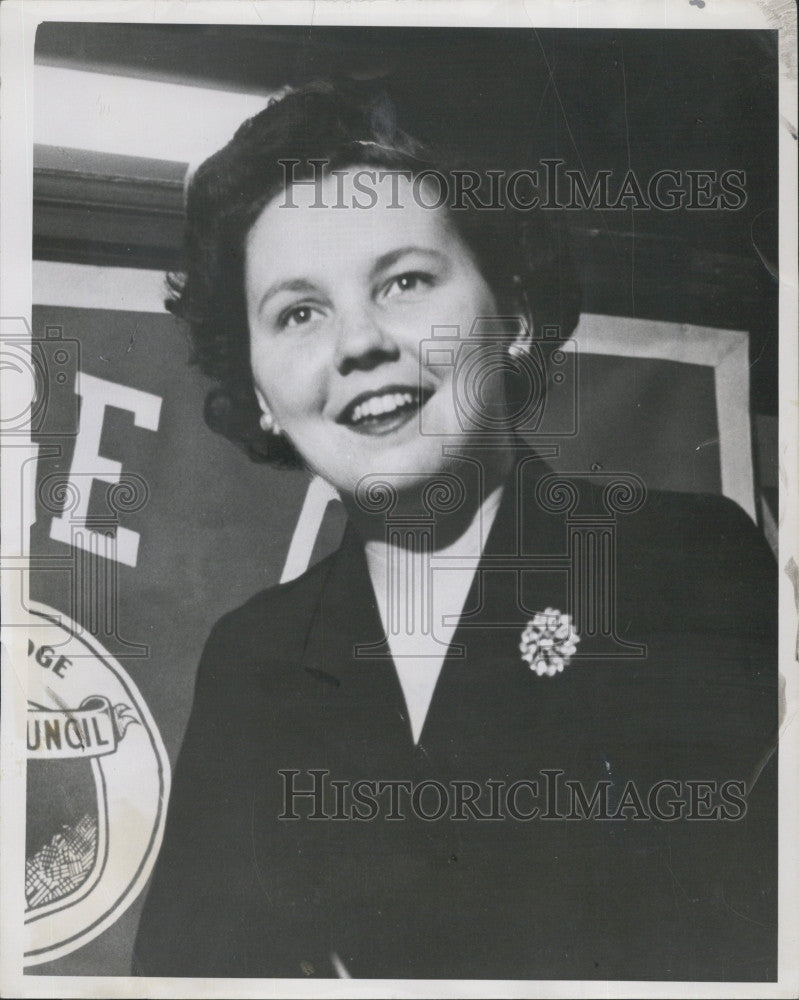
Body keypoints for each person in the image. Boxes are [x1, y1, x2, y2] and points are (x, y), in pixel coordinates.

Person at [133, 81, 777, 981]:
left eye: (403, 280)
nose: (357, 344)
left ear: (510, 312)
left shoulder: (683, 566)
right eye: (299, 312)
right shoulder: (254, 660)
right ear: (260, 392)